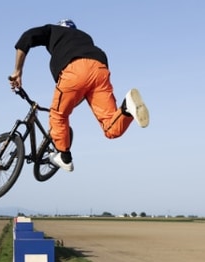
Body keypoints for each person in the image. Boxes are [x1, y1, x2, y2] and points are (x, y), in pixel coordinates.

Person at [9, 19, 149, 172]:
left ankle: (64, 157)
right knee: (110, 128)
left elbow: (26, 37)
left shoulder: (53, 30)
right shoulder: (85, 37)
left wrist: (18, 71)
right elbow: (82, 90)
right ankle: (126, 109)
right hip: (100, 69)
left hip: (74, 69)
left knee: (58, 115)